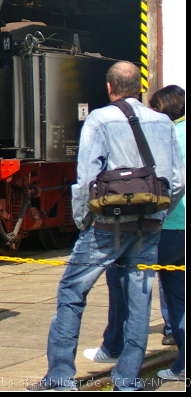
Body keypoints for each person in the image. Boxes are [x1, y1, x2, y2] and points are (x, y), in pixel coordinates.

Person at [30, 62, 184, 391]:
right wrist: (158, 214)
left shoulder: (99, 119)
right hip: (149, 227)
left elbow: (86, 179)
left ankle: (60, 378)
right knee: (140, 301)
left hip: (107, 226)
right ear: (139, 89)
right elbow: (176, 181)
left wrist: (84, 220)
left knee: (71, 293)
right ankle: (127, 381)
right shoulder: (162, 122)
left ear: (110, 88)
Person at [83, 85, 185, 383]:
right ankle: (183, 364)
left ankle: (114, 347)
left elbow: (171, 182)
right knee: (178, 296)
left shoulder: (165, 133)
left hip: (163, 225)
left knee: (124, 284)